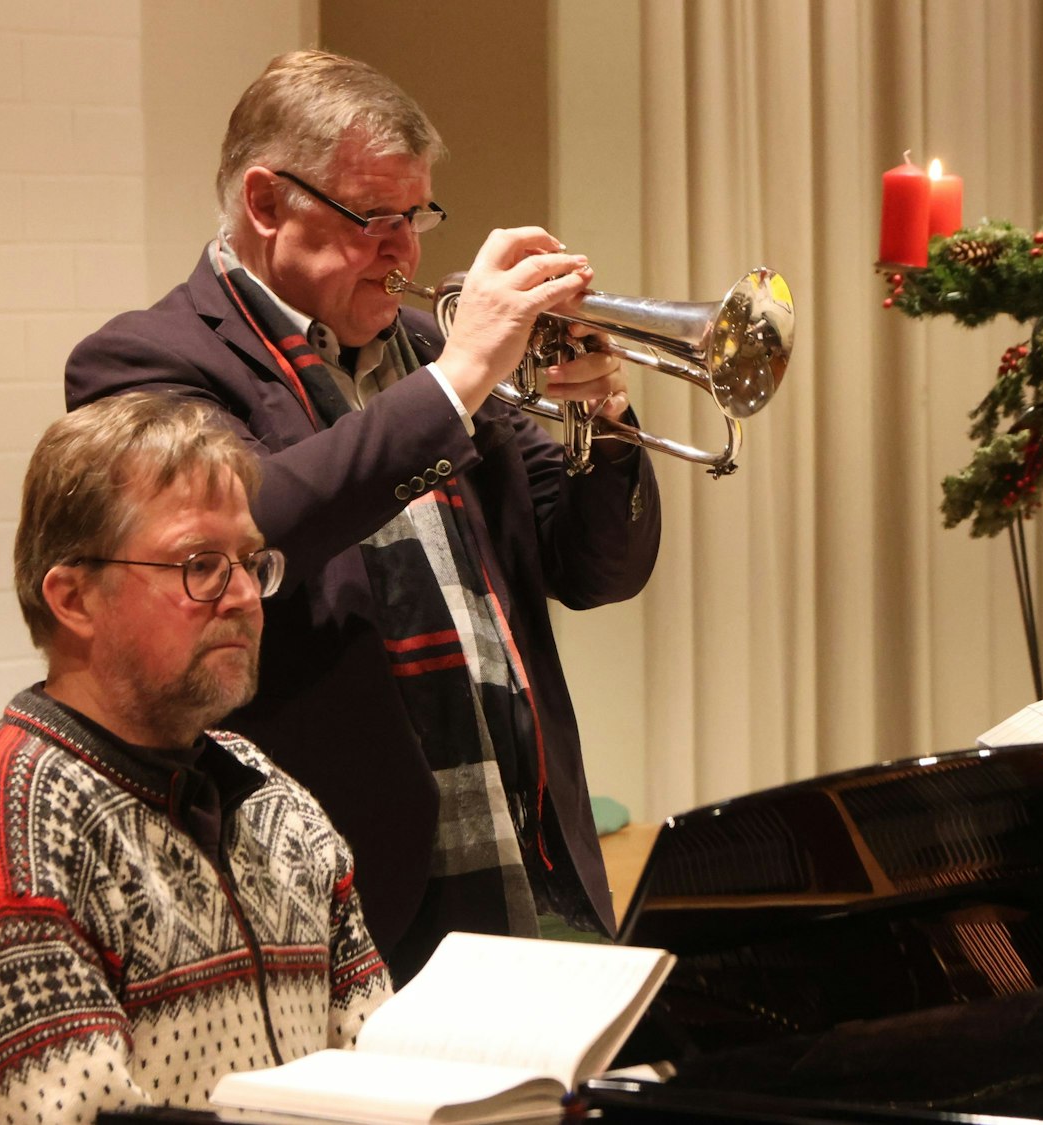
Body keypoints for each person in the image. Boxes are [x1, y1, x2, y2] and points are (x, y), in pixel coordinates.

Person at [66, 49, 661, 982]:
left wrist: (601, 421)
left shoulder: (430, 353)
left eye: (417, 216)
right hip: (329, 886)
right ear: (266, 203)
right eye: (374, 217)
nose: (406, 253)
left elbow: (595, 570)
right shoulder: (144, 362)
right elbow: (251, 528)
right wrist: (457, 382)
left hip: (525, 848)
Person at [0, 393, 391, 1123]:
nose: (246, 595)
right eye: (201, 564)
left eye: (251, 561)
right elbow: (71, 1116)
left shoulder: (279, 804)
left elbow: (376, 1064)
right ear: (74, 597)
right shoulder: (4, 826)